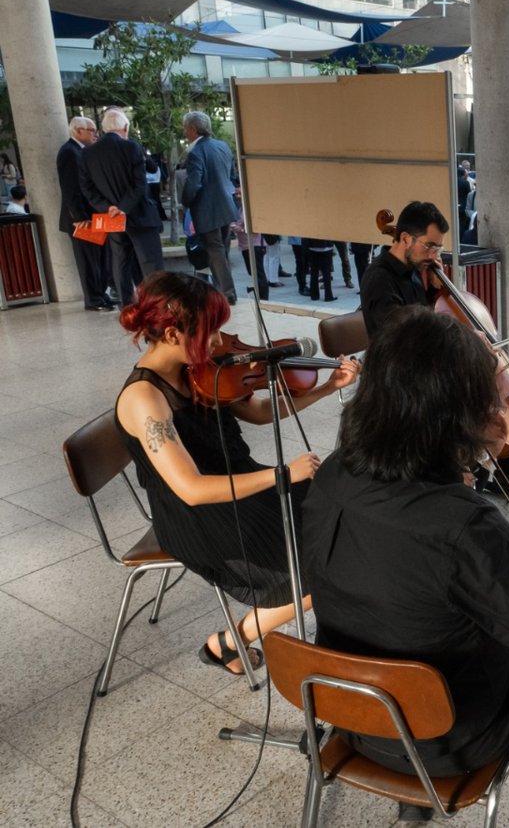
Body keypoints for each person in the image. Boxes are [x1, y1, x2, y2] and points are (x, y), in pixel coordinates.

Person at [302, 307, 509, 815]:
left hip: (352, 714)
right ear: (453, 412)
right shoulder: (459, 526)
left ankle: (411, 800)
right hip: (449, 741)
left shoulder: (331, 475)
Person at [114, 272, 358, 675]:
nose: (217, 342)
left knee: (342, 524)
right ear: (173, 334)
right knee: (326, 565)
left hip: (243, 485)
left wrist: (327, 387)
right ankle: (230, 642)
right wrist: (282, 475)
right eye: (209, 332)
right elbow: (191, 489)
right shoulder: (144, 398)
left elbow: (260, 412)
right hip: (198, 515)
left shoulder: (198, 369)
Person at [359, 201, 509, 493]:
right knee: (470, 393)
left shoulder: (415, 268)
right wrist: (459, 338)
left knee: (479, 381)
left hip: (421, 358)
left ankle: (497, 468)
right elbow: (400, 333)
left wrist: (436, 289)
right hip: (399, 373)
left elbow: (425, 313)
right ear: (405, 238)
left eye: (438, 247)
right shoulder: (379, 278)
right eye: (430, 246)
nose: (434, 255)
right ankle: (470, 475)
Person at [79, 108, 166, 307]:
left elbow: (87, 188)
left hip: (111, 219)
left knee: (120, 263)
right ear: (125, 126)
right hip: (139, 215)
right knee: (150, 263)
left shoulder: (88, 153)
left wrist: (107, 208)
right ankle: (157, 306)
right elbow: (140, 184)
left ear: (104, 128)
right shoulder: (131, 147)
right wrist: (122, 207)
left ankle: (126, 306)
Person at [181, 111, 239, 305]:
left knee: (215, 252)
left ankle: (227, 294)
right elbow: (231, 176)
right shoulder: (222, 146)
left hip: (207, 210)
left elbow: (194, 183)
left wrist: (186, 201)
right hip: (226, 206)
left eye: (185, 128)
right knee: (221, 252)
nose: (184, 132)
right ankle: (223, 291)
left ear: (193, 129)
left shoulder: (196, 152)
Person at [56, 116, 113, 311]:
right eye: (91, 130)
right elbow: (70, 189)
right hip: (81, 219)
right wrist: (80, 217)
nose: (95, 134)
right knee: (88, 260)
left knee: (101, 258)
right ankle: (93, 299)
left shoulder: (84, 151)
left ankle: (101, 294)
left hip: (95, 216)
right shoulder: (69, 152)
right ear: (78, 131)